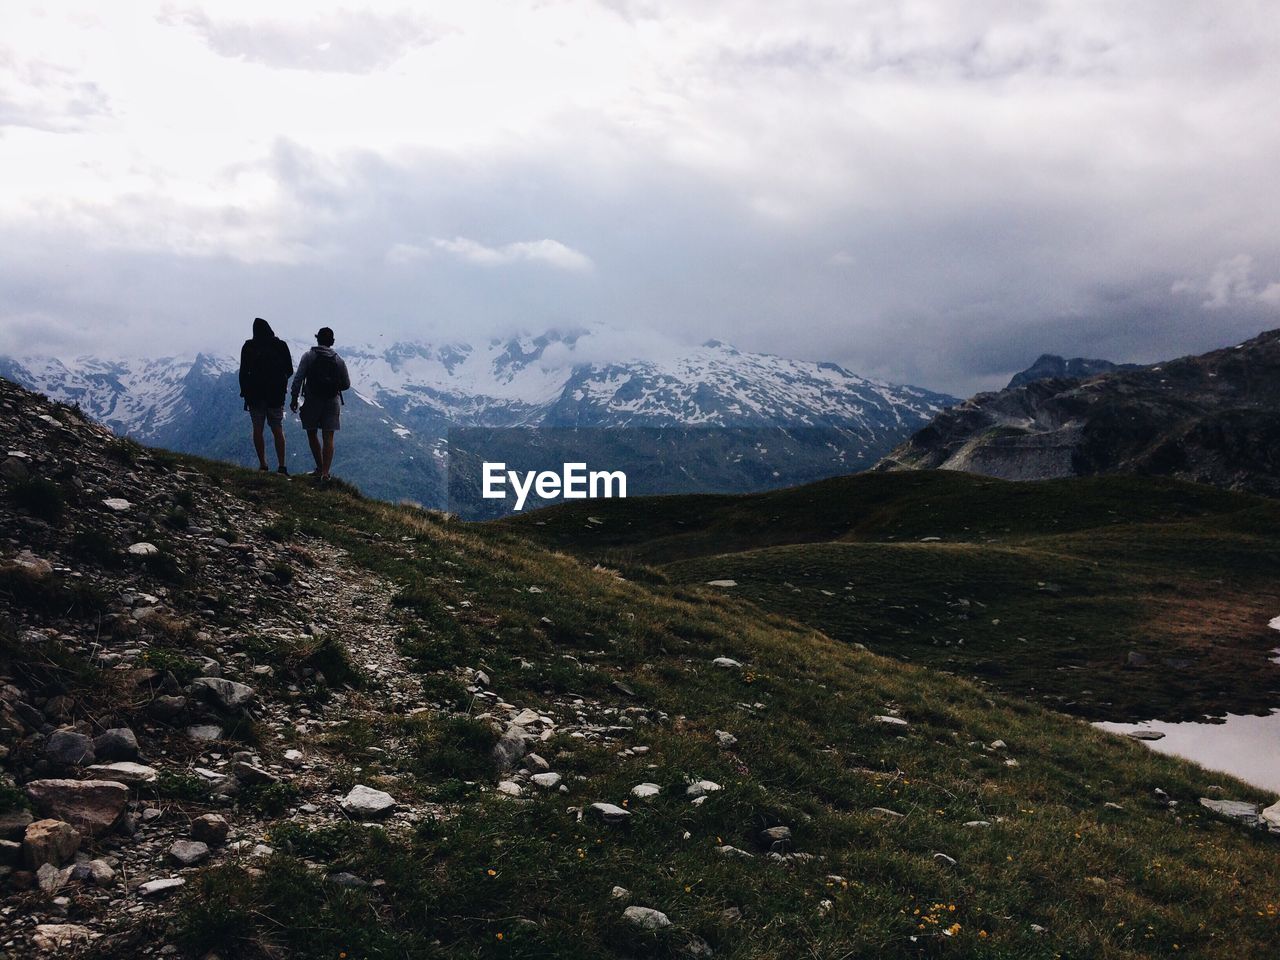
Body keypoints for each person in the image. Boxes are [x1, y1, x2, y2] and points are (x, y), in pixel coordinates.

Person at [290, 326, 351, 483]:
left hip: (312, 399)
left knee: (311, 432)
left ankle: (319, 467)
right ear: (332, 341)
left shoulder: (308, 356)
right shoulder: (338, 360)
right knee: (328, 436)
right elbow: (346, 384)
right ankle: (325, 473)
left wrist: (294, 397)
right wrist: (332, 386)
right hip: (332, 401)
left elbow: (298, 379)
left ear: (317, 339)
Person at [237, 317, 294, 474]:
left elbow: (243, 372)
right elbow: (289, 369)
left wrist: (245, 392)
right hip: (275, 395)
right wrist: (280, 383)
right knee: (277, 428)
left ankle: (263, 465)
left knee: (257, 429)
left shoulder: (248, 346)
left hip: (254, 395)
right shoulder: (280, 345)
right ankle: (282, 466)